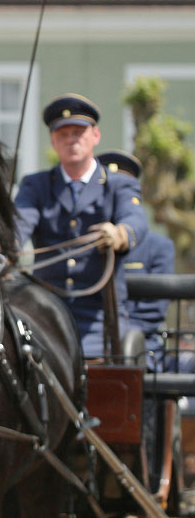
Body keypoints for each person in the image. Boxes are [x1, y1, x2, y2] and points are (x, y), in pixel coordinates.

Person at [15, 94, 148, 357]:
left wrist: (120, 233)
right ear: (53, 141)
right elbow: (19, 223)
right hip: (45, 309)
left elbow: (136, 220)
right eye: (63, 134)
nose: (71, 140)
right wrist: (4, 247)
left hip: (100, 314)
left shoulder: (118, 184)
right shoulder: (36, 185)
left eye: (78, 132)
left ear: (95, 136)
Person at [97, 150, 177, 371]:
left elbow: (152, 312)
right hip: (89, 341)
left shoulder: (159, 247)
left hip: (139, 346)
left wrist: (119, 336)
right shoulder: (86, 241)